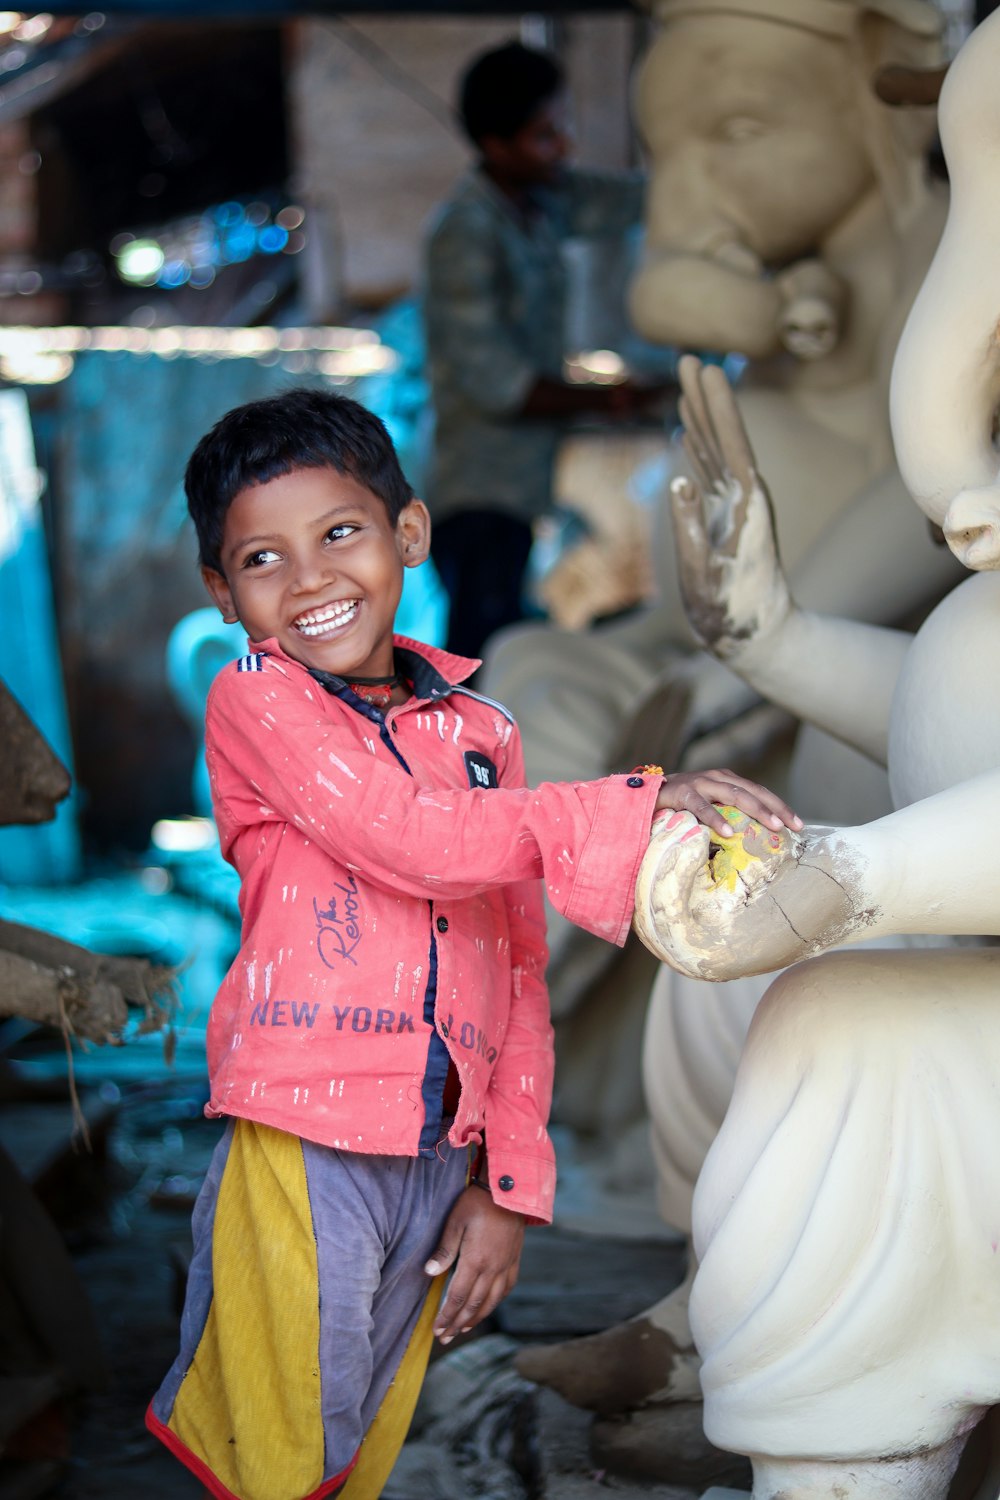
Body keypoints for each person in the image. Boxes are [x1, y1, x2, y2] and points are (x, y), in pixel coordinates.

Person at [144, 385, 800, 1500]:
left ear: (408, 532)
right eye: (263, 560)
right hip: (307, 1139)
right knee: (281, 1442)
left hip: (440, 1151)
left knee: (359, 1433)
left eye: (341, 533)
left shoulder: (482, 732)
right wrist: (631, 803)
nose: (309, 580)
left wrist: (506, 1183)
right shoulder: (255, 698)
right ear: (221, 593)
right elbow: (411, 840)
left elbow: (515, 967)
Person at [423, 40, 665, 663]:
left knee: (502, 644)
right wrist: (617, 399)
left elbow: (632, 199)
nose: (563, 147)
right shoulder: (465, 234)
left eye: (564, 128)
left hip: (519, 489)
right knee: (480, 658)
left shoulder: (542, 201)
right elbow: (496, 382)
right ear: (496, 145)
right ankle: (451, 764)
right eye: (544, 135)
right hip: (478, 494)